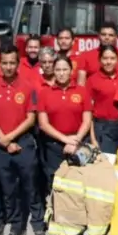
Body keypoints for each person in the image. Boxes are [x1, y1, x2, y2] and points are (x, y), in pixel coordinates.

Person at [0, 45, 45, 235]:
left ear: (18, 64)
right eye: (5, 63)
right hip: (1, 147)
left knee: (31, 187)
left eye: (12, 63)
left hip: (24, 144)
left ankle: (38, 226)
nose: (8, 67)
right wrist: (3, 139)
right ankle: (16, 226)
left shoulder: (28, 87)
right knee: (9, 190)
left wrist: (10, 138)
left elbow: (30, 119)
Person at [38, 56, 93, 194]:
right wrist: (65, 139)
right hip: (54, 146)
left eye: (64, 69)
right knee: (56, 182)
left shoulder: (82, 91)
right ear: (53, 71)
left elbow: (87, 120)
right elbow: (43, 124)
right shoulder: (44, 93)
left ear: (71, 71)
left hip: (78, 143)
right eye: (58, 70)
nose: (61, 73)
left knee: (79, 181)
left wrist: (75, 141)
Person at [86, 45, 118, 155]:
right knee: (108, 162)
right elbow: (88, 112)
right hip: (103, 128)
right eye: (105, 58)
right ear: (99, 59)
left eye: (112, 58)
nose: (108, 62)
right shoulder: (92, 80)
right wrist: (93, 138)